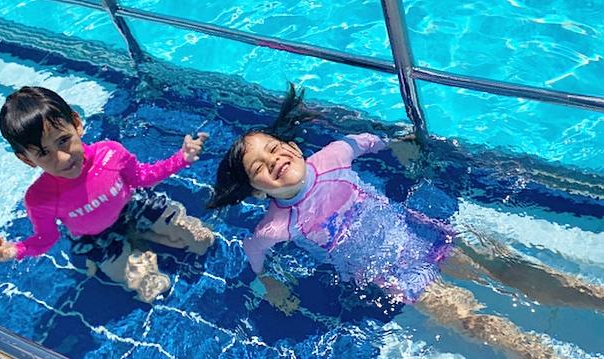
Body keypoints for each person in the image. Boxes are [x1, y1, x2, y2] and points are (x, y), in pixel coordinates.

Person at [207, 84, 604, 358]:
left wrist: (400, 146)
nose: (273, 160)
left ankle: (593, 296)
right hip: (392, 276)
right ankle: (543, 354)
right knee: (472, 321)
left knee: (506, 270)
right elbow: (253, 250)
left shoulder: (332, 157)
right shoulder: (278, 225)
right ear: (257, 191)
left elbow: (365, 139)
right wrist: (271, 284)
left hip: (421, 235)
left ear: (293, 147)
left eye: (274, 149)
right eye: (258, 166)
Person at [0, 86, 215, 303]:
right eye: (44, 153)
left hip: (132, 206)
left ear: (77, 123)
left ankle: (141, 236)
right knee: (154, 289)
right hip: (96, 237)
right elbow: (46, 239)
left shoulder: (111, 153)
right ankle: (137, 241)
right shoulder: (39, 199)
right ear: (26, 159)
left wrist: (180, 159)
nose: (62, 158)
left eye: (63, 140)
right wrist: (12, 251)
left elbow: (142, 177)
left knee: (202, 239)